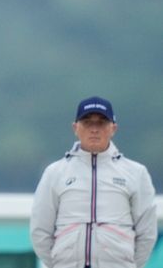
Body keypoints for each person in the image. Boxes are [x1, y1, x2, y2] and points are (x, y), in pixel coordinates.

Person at [30, 96, 158, 268]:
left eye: (102, 123)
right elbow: (40, 229)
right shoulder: (55, 172)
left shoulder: (136, 173)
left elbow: (147, 232)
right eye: (87, 122)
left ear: (113, 128)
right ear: (75, 127)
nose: (94, 129)